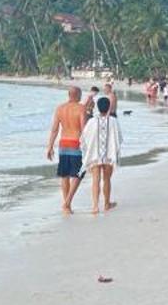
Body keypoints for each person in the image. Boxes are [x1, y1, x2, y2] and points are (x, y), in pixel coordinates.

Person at [46, 85, 88, 214]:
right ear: (78, 95)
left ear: (69, 95)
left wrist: (50, 146)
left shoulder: (60, 108)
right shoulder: (81, 108)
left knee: (65, 175)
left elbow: (54, 129)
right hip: (76, 143)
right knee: (78, 174)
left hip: (63, 143)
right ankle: (67, 203)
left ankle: (67, 205)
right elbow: (84, 129)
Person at [80, 94, 121, 214]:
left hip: (94, 155)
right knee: (107, 179)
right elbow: (119, 138)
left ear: (97, 108)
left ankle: (95, 207)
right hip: (109, 155)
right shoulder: (113, 121)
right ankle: (107, 204)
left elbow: (84, 138)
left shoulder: (92, 122)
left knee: (95, 180)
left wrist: (88, 150)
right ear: (108, 108)